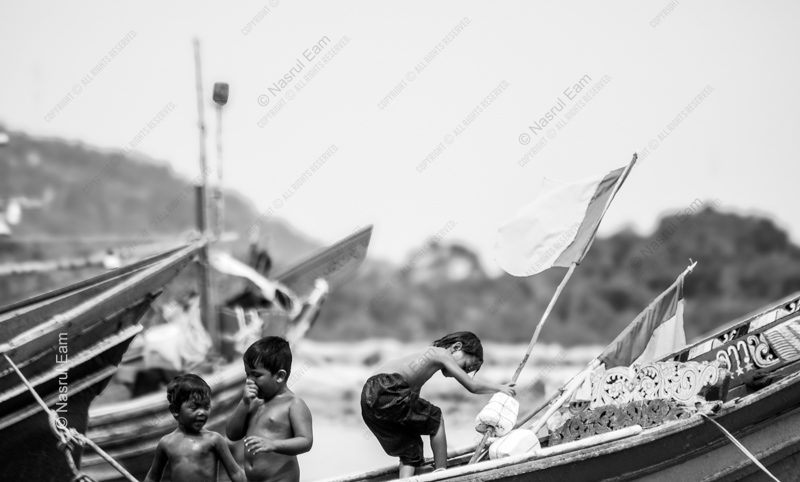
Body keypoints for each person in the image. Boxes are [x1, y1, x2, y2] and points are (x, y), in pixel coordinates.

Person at [361, 331, 515, 478]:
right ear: (457, 347)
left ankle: (408, 478)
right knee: (435, 418)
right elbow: (472, 386)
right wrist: (501, 387)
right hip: (388, 388)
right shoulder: (442, 353)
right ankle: (443, 473)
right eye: (466, 366)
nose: (463, 372)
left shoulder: (426, 357)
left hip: (369, 397)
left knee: (411, 445)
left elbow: (412, 399)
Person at [227, 336, 313, 482]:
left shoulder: (293, 404)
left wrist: (273, 445)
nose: (249, 381)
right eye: (248, 374)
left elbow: (306, 441)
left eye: (256, 375)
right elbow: (232, 434)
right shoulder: (254, 403)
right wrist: (244, 402)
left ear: (279, 376)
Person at [144, 374, 245, 482]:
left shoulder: (214, 440)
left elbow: (236, 473)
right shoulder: (166, 443)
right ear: (175, 410)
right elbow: (152, 477)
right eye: (194, 407)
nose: (202, 412)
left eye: (206, 407)